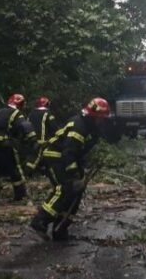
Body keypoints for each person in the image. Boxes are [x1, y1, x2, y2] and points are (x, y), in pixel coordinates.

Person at [29, 97, 111, 241]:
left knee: (76, 193)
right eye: (101, 118)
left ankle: (60, 229)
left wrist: (82, 167)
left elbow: (80, 150)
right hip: (56, 156)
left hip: (67, 158)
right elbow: (69, 151)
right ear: (94, 116)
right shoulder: (80, 126)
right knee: (65, 189)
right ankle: (40, 220)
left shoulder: (90, 126)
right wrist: (74, 173)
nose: (103, 121)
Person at [25, 96, 57, 174]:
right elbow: (53, 127)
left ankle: (39, 171)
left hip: (30, 139)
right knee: (36, 157)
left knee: (32, 156)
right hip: (42, 141)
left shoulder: (31, 113)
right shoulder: (48, 113)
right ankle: (27, 172)